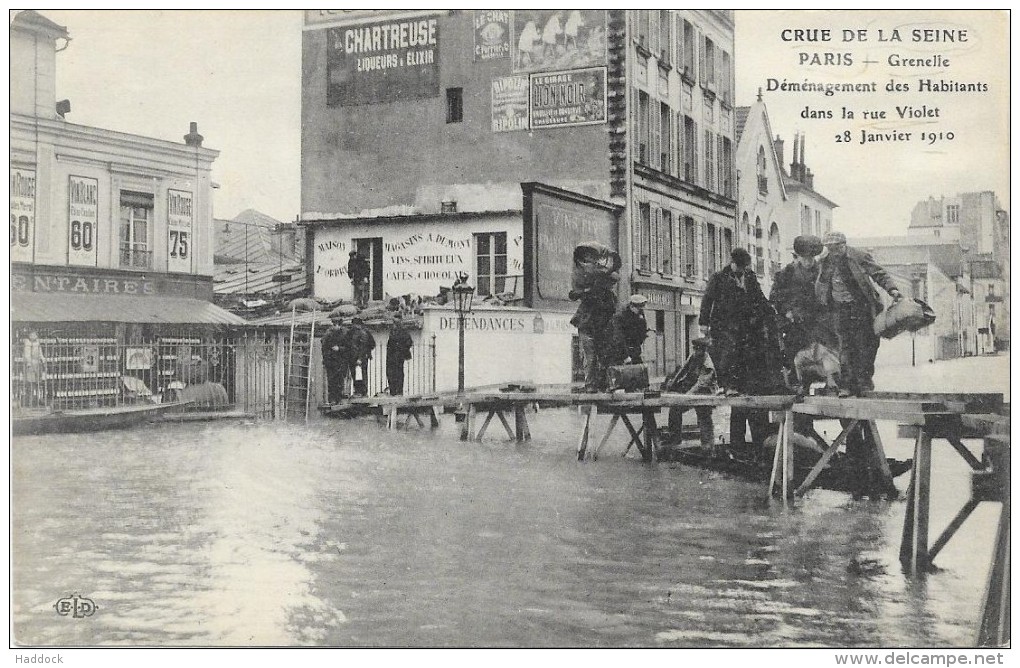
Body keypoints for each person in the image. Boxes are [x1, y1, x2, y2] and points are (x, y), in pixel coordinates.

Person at [700, 247, 779, 447]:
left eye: (745, 268)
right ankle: (729, 386)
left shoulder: (750, 277)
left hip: (744, 326)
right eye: (740, 267)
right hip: (724, 324)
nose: (742, 271)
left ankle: (741, 386)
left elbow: (759, 298)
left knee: (744, 355)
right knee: (728, 355)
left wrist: (771, 310)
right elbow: (707, 300)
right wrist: (703, 323)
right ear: (733, 263)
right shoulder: (719, 278)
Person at [815, 231, 903, 397]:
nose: (834, 252)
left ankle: (864, 383)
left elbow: (879, 274)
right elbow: (820, 286)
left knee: (866, 345)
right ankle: (846, 385)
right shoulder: (824, 263)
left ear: (844, 245)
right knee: (845, 347)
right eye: (830, 248)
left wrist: (893, 289)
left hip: (862, 307)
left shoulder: (859, 256)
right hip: (840, 309)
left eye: (837, 248)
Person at [770, 235, 832, 385]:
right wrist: (786, 311)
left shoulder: (822, 272)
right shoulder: (786, 273)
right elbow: (775, 296)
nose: (808, 262)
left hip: (817, 322)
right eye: (804, 258)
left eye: (811, 258)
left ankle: (828, 381)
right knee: (792, 352)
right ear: (797, 256)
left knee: (821, 352)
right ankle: (797, 385)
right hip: (794, 323)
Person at [664, 335, 718, 453]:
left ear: (704, 350)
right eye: (695, 348)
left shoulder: (707, 365)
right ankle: (675, 438)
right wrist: (672, 384)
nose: (695, 351)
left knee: (704, 417)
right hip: (691, 390)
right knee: (675, 408)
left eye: (698, 349)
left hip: (705, 392)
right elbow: (682, 370)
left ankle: (708, 447)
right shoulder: (693, 357)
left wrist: (686, 396)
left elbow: (700, 384)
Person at [569, 270, 618, 393]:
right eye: (611, 282)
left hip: (600, 330)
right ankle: (590, 384)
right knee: (590, 357)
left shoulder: (611, 297)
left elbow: (611, 315)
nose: (613, 285)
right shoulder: (591, 290)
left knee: (603, 356)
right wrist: (586, 291)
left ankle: (603, 383)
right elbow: (572, 295)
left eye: (614, 283)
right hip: (586, 328)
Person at [606, 294, 649, 365]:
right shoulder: (620, 316)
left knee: (641, 371)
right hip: (619, 353)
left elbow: (642, 332)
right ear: (632, 306)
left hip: (634, 351)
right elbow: (618, 337)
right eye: (639, 308)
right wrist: (625, 356)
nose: (640, 311)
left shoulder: (639, 315)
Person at [321, 321, 351, 403]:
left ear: (340, 325)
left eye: (336, 325)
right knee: (331, 381)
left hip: (341, 361)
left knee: (340, 381)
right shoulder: (328, 334)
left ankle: (339, 399)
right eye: (333, 325)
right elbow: (324, 346)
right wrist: (326, 358)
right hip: (330, 361)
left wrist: (339, 349)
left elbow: (349, 348)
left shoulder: (345, 334)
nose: (334, 327)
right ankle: (332, 399)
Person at [386, 314, 414, 396]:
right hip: (391, 356)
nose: (394, 324)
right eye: (394, 322)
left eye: (395, 322)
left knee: (398, 373)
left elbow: (409, 342)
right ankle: (393, 391)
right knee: (390, 373)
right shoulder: (392, 331)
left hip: (398, 356)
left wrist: (401, 349)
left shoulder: (403, 331)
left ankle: (398, 391)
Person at [348, 317, 376, 397]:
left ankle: (362, 392)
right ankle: (358, 391)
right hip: (353, 357)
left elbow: (365, 346)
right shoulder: (352, 333)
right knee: (355, 375)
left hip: (360, 358)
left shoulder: (363, 333)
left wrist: (360, 358)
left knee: (361, 375)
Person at [21, 330, 46, 408]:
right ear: (30, 335)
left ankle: (39, 399)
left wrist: (43, 358)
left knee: (39, 382)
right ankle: (30, 401)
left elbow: (40, 352)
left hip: (37, 364)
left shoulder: (37, 343)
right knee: (31, 383)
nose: (34, 336)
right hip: (31, 364)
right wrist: (28, 362)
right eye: (32, 335)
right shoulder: (27, 343)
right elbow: (27, 354)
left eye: (35, 334)